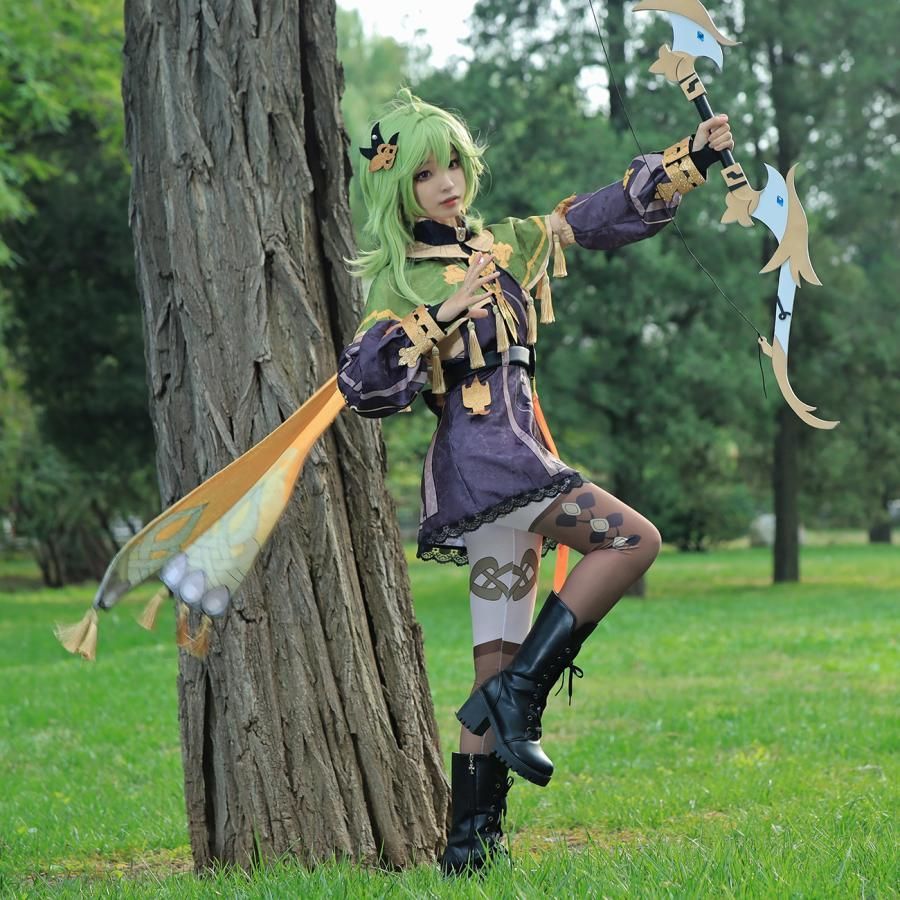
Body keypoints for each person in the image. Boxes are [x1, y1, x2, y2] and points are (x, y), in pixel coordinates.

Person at [338, 88, 734, 875]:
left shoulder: (505, 245)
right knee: (632, 541)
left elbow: (589, 218)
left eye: (454, 165)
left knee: (492, 662)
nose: (448, 183)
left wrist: (688, 160)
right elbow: (366, 385)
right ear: (396, 189)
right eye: (425, 174)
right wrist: (439, 315)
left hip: (514, 468)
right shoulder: (397, 280)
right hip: (486, 463)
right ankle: (524, 695)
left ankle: (469, 848)